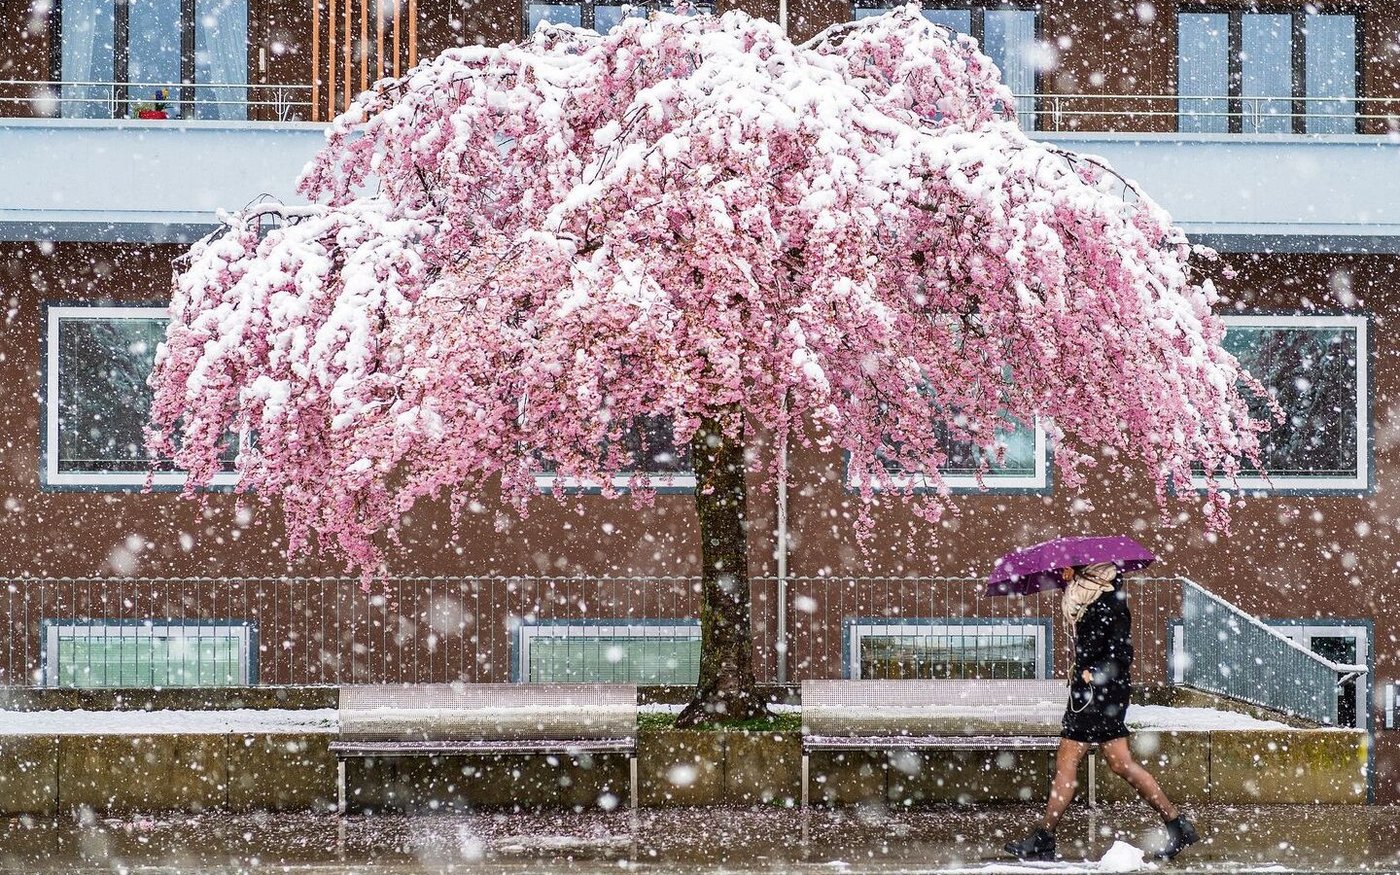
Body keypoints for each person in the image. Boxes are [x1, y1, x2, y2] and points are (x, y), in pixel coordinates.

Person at [1004, 562, 1198, 862]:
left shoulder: (1109, 602)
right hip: (1094, 694)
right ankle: (1176, 824)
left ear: (1084, 568)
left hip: (1100, 694)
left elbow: (1123, 653)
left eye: (1065, 567)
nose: (1061, 572)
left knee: (1069, 760)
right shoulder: (1086, 599)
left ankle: (1044, 837)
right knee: (1121, 764)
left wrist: (1095, 672)